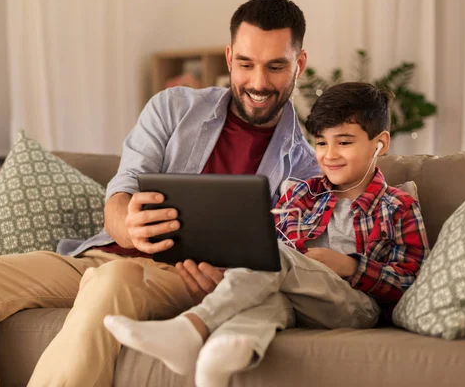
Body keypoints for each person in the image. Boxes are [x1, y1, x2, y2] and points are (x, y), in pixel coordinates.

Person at [0, 0, 320, 387]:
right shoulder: (173, 107)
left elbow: (283, 265)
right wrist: (127, 224)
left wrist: (226, 281)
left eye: (275, 67)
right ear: (230, 57)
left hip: (176, 282)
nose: (258, 82)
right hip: (95, 257)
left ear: (298, 65)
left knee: (114, 279)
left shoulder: (307, 167)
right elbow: (121, 190)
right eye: (247, 64)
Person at [104, 82, 431, 387]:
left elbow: (411, 283)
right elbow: (265, 261)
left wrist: (351, 267)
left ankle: (191, 327)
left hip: (355, 307)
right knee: (269, 287)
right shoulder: (302, 193)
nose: (330, 155)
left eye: (344, 142)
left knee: (275, 256)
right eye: (321, 143)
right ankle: (217, 362)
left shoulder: (396, 206)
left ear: (380, 143)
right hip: (296, 300)